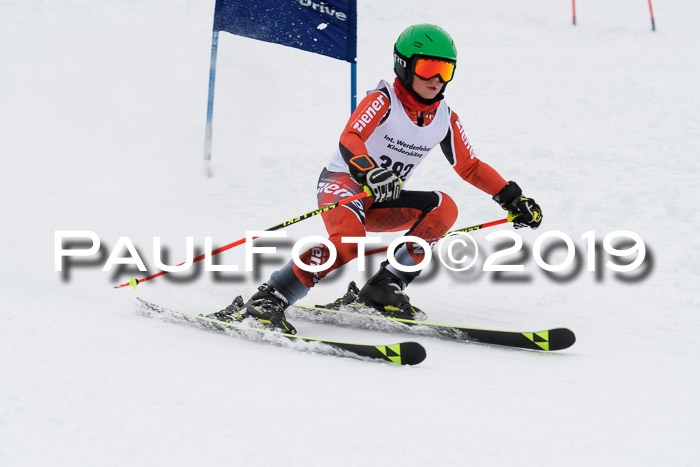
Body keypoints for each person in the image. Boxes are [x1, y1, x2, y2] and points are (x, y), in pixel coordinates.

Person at [215, 24, 542, 334]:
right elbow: (351, 137)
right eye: (428, 68)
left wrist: (512, 198)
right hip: (344, 184)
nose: (437, 79)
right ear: (404, 65)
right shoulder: (384, 100)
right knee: (348, 242)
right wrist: (369, 170)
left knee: (444, 207)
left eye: (445, 70)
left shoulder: (444, 118)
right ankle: (270, 297)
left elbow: (469, 166)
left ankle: (384, 289)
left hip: (383, 199)